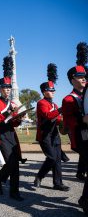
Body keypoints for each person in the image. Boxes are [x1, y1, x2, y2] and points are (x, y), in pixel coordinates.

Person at [62, 42, 88, 216]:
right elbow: (69, 122)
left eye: (85, 75)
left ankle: (84, 200)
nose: (84, 78)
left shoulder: (86, 94)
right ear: (72, 79)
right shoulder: (68, 99)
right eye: (80, 76)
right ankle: (85, 201)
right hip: (81, 138)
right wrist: (82, 119)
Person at [34, 63, 69, 191]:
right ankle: (39, 176)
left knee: (58, 159)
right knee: (52, 158)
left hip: (55, 134)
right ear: (44, 92)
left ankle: (57, 183)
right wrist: (61, 109)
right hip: (45, 135)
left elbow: (57, 118)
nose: (53, 92)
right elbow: (48, 116)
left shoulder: (54, 104)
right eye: (50, 90)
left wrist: (64, 121)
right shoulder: (41, 103)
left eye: (54, 90)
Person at [0, 76, 26, 201]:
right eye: (5, 87)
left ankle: (0, 181)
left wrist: (19, 118)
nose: (7, 90)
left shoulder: (13, 104)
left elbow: (13, 123)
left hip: (11, 134)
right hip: (2, 135)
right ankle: (11, 190)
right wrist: (9, 112)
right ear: (0, 89)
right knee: (12, 164)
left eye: (9, 87)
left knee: (14, 163)